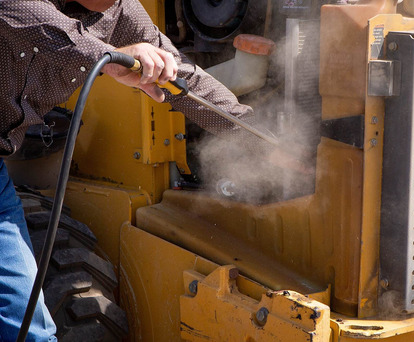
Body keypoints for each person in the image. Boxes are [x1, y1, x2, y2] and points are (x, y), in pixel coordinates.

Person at [0, 0, 279, 340]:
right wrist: (111, 57)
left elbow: (183, 78)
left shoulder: (120, 10)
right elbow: (32, 20)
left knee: (29, 330)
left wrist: (263, 141)